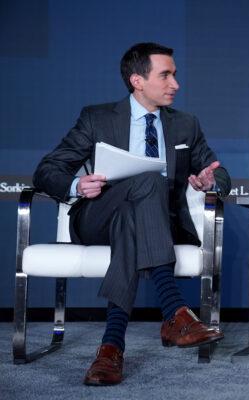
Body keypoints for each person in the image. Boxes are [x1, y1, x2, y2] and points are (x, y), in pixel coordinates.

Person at [33, 42, 232, 386]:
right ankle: (175, 312)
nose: (176, 84)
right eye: (166, 75)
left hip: (154, 223)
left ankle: (111, 348)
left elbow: (220, 172)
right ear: (138, 81)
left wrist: (209, 181)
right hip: (97, 217)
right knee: (148, 181)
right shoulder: (96, 118)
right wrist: (77, 185)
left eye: (175, 74)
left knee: (134, 215)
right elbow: (47, 170)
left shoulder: (185, 124)